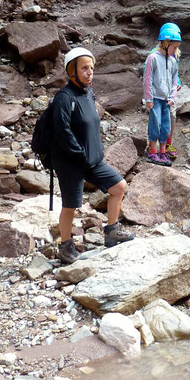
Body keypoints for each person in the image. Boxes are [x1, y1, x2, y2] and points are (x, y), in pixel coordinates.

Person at [51, 47, 133, 264]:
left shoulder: (87, 93)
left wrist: (92, 154)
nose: (90, 72)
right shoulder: (64, 98)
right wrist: (80, 155)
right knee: (70, 205)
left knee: (119, 187)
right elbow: (62, 133)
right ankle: (65, 247)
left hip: (91, 160)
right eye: (84, 68)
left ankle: (112, 231)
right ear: (72, 71)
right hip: (70, 162)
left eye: (92, 68)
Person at [143, 23, 181, 165]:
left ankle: (162, 152)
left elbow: (174, 80)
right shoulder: (153, 58)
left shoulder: (172, 60)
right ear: (165, 43)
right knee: (155, 124)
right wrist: (148, 98)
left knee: (166, 126)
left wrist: (172, 96)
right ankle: (153, 152)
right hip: (155, 99)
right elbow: (147, 79)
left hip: (166, 100)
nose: (176, 50)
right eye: (174, 47)